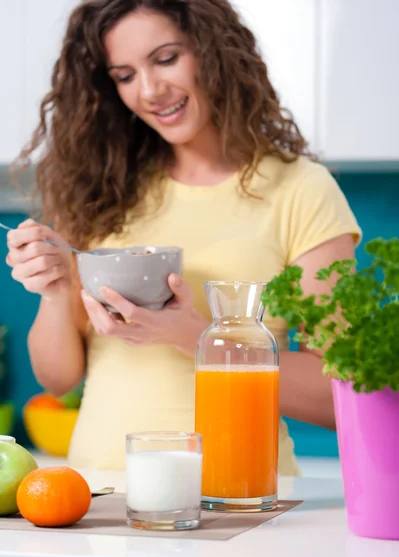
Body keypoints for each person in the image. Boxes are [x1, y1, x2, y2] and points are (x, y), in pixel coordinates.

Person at [6, 0, 361, 474]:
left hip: (238, 496)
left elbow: (338, 396)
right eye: (125, 75)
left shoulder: (301, 190)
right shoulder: (102, 190)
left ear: (213, 51)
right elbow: (57, 378)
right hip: (100, 492)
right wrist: (55, 291)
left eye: (166, 58)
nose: (150, 90)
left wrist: (196, 336)